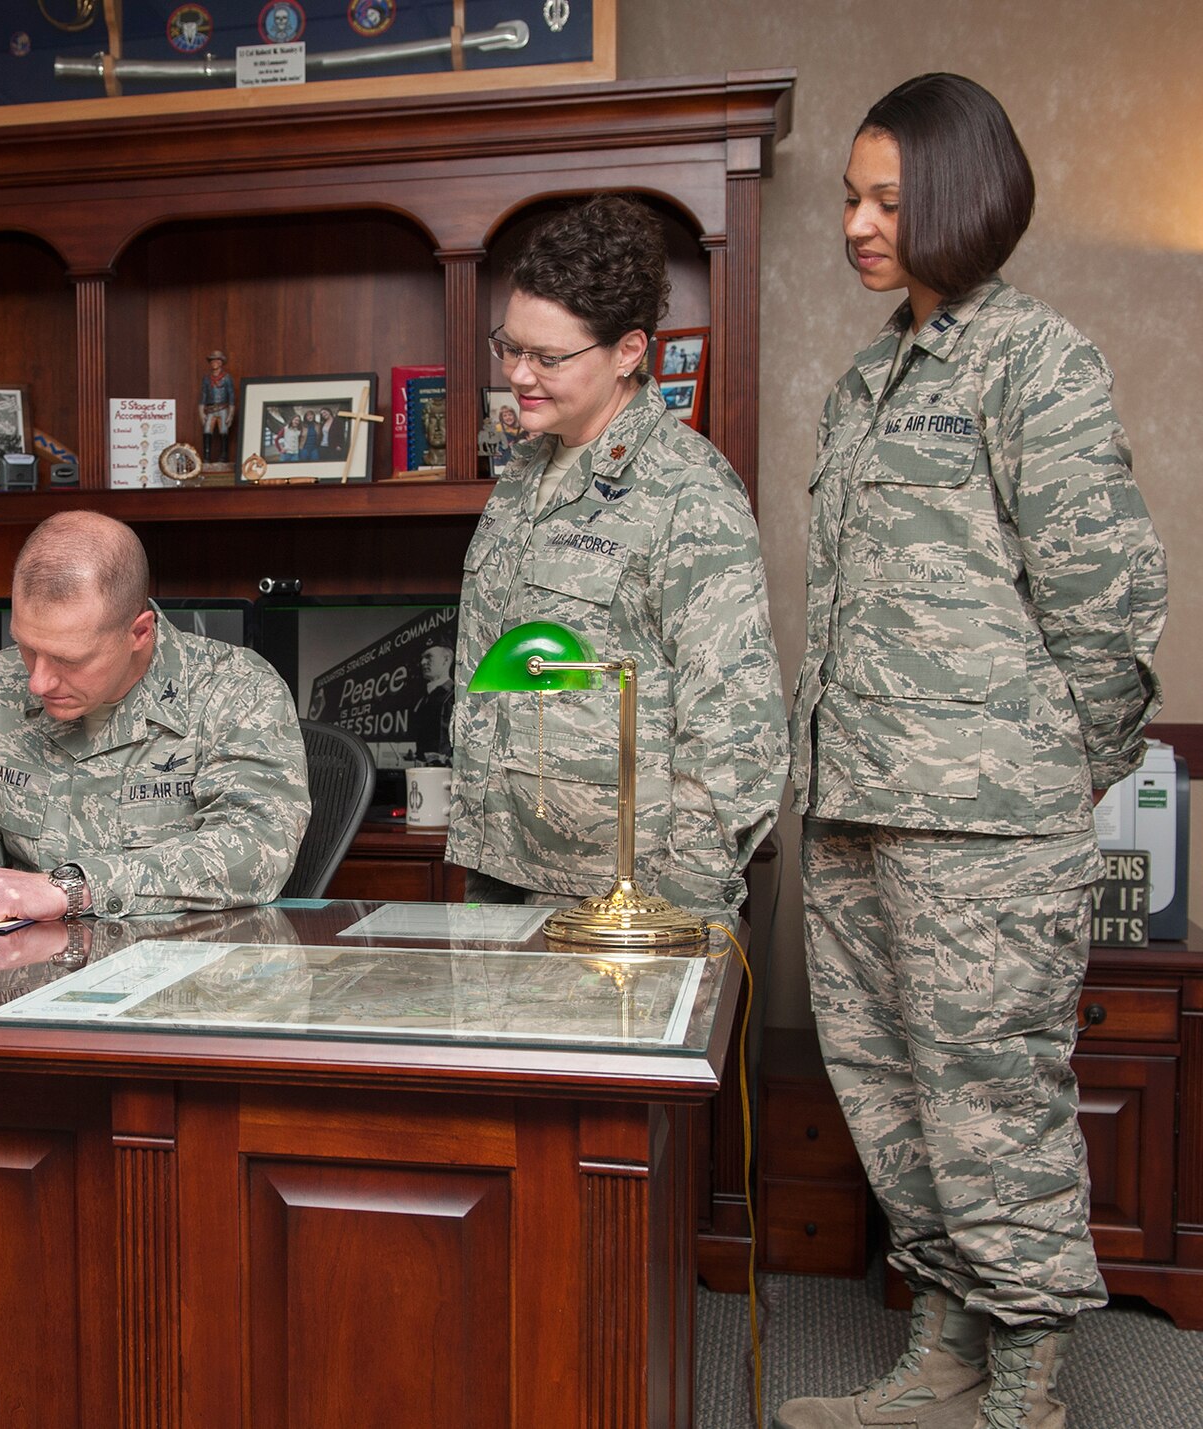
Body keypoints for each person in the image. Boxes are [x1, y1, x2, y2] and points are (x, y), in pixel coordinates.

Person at [777, 75, 1165, 1429]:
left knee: (995, 1107)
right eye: (851, 196)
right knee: (895, 1103)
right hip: (856, 812)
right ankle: (941, 1364)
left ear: (963, 196)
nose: (858, 222)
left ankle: (1024, 1396)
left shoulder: (1035, 361)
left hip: (988, 831)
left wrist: (1053, 777)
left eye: (889, 197)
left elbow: (1104, 607)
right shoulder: (867, 382)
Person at [446, 193, 786, 926]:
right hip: (504, 876)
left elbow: (737, 734)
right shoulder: (520, 479)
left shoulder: (688, 490)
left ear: (629, 350)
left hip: (628, 908)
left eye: (549, 357)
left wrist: (673, 918)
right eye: (510, 346)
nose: (520, 374)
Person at [0, 511, 309, 922]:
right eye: (27, 648)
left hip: (181, 967)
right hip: (21, 962)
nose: (37, 681)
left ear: (139, 633)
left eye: (69, 659)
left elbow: (257, 849)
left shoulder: (237, 690)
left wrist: (72, 888)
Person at [411, 643, 454, 763]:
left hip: (444, 770)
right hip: (423, 768)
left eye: (429, 657)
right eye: (422, 658)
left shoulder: (453, 694)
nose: (423, 662)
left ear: (446, 660)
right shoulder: (423, 698)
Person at [198, 348, 235, 467]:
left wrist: (231, 413)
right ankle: (207, 456)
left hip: (223, 408)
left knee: (223, 431)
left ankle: (224, 455)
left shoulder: (227, 378)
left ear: (220, 363)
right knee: (207, 431)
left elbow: (231, 396)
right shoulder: (206, 378)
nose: (214, 363)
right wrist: (201, 412)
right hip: (210, 409)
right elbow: (203, 395)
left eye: (217, 361)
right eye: (212, 361)